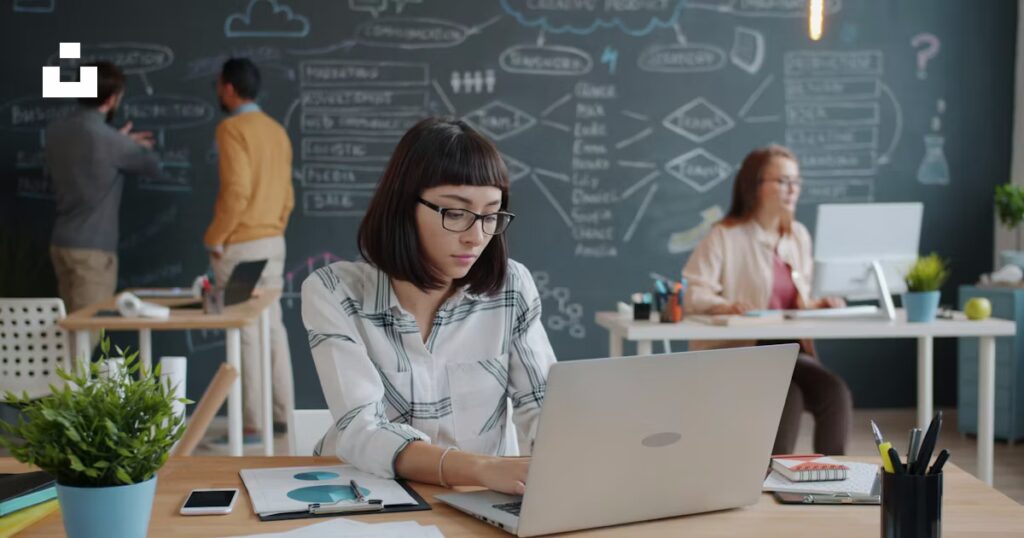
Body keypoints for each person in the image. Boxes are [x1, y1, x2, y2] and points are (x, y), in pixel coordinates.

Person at [301, 117, 556, 494]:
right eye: (456, 213)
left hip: (479, 502)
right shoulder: (334, 291)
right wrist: (480, 468)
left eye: (491, 215)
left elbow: (544, 407)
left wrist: (564, 459)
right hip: (364, 497)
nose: (476, 236)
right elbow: (362, 429)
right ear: (404, 206)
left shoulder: (511, 287)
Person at [682, 145, 853, 455]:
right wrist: (724, 305)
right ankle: (771, 485)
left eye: (796, 182)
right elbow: (693, 292)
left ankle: (833, 483)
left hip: (789, 352)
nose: (792, 190)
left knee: (834, 392)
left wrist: (818, 304)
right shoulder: (724, 236)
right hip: (742, 354)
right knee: (787, 397)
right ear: (755, 185)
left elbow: (794, 302)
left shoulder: (798, 235)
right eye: (783, 181)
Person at [204, 58, 294, 438]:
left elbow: (237, 190)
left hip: (241, 243)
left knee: (245, 330)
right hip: (274, 239)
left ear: (228, 88)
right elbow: (288, 196)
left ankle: (253, 423)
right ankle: (282, 415)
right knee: (272, 327)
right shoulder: (277, 131)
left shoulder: (231, 128)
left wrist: (216, 237)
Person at [46, 61, 160, 316]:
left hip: (61, 242)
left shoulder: (55, 131)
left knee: (69, 331)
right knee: (88, 334)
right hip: (93, 251)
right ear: (110, 99)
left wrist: (117, 141)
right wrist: (124, 142)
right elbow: (153, 165)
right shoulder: (109, 140)